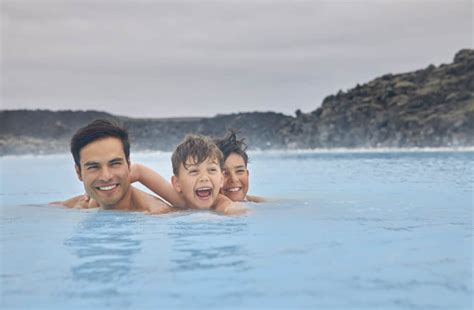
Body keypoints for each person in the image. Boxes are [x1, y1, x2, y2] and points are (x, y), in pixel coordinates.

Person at [51, 119, 180, 214]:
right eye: (94, 167)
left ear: (128, 165)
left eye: (114, 164)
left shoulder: (157, 215)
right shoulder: (80, 205)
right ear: (78, 172)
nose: (106, 177)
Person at [133, 134, 247, 215]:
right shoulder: (181, 198)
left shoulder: (220, 203)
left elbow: (233, 209)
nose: (204, 178)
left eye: (211, 170)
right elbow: (139, 171)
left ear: (221, 179)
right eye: (194, 171)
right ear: (177, 184)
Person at [214, 130, 266, 202]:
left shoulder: (258, 202)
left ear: (247, 174)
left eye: (239, 171)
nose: (234, 179)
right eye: (225, 173)